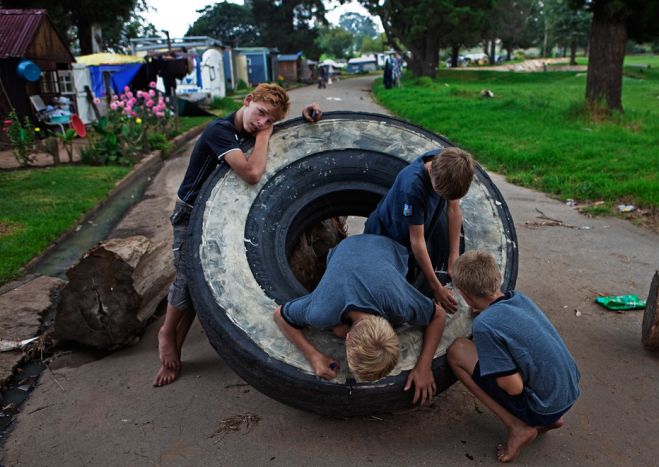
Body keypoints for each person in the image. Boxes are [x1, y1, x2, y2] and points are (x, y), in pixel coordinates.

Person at [154, 83, 322, 387]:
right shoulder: (219, 130)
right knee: (186, 277)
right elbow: (251, 173)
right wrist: (264, 135)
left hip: (216, 213)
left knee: (198, 278)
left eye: (270, 120)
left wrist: (308, 113)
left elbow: (280, 127)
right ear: (247, 101)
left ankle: (176, 344)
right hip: (190, 213)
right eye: (259, 113)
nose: (261, 123)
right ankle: (167, 332)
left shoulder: (251, 125)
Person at [273, 234, 448, 405]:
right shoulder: (321, 311)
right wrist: (314, 356)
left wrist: (424, 366)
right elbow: (280, 314)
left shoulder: (398, 300)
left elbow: (438, 315)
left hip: (388, 246)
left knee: (338, 328)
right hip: (346, 249)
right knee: (336, 327)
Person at [446, 251, 580, 463]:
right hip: (567, 391)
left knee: (457, 351)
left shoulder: (485, 326)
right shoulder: (519, 299)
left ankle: (518, 427)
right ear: (498, 276)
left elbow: (513, 387)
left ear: (463, 294)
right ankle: (552, 419)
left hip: (543, 406)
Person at [364, 147, 474, 313]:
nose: (444, 198)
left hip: (414, 231)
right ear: (430, 170)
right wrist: (436, 287)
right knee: (383, 289)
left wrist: (454, 254)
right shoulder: (412, 187)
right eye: (440, 193)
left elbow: (453, 209)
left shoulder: (449, 163)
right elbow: (417, 241)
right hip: (385, 236)